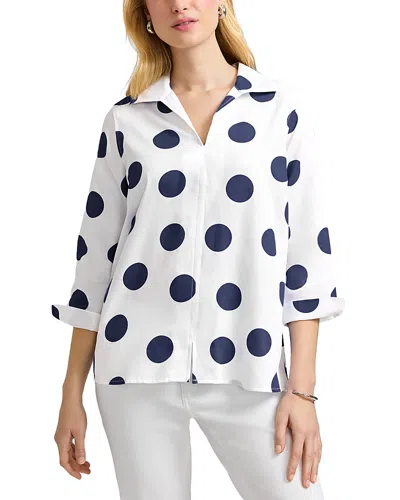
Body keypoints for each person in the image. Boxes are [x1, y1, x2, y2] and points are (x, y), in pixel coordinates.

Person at [52, 1, 345, 499]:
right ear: (146, 14)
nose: (179, 4)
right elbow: (95, 264)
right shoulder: (126, 120)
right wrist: (70, 394)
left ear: (222, 4)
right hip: (134, 370)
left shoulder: (279, 109)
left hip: (249, 367)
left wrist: (302, 390)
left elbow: (306, 260)